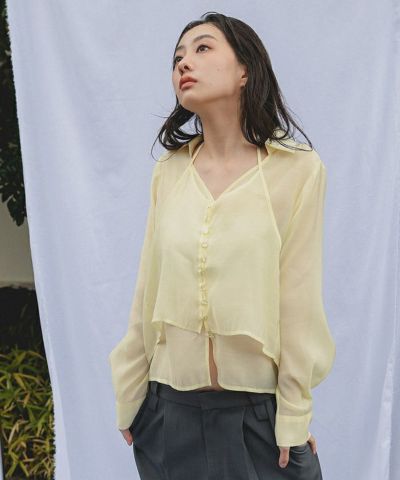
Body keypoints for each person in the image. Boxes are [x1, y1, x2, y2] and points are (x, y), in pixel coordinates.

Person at [109, 11, 336, 480]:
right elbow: (146, 290)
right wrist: (131, 397)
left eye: (202, 48)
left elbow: (298, 302)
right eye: (177, 57)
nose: (183, 63)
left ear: (244, 71)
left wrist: (293, 417)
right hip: (167, 416)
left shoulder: (298, 171)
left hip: (257, 418)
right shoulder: (169, 172)